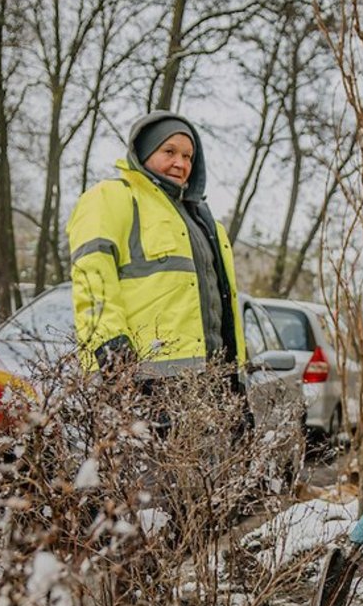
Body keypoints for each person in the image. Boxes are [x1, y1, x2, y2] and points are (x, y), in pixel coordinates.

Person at [67, 111, 245, 394]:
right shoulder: (112, 198)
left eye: (188, 156)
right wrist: (114, 359)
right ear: (145, 152)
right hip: (142, 380)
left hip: (208, 385)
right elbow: (92, 281)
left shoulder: (206, 224)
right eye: (169, 151)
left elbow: (225, 308)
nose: (180, 163)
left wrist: (236, 384)